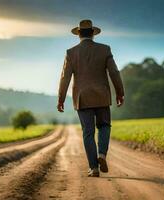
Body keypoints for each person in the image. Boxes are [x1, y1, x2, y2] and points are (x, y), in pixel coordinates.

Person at [57, 19, 124, 177]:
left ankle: (93, 168)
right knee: (104, 126)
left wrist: (61, 99)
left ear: (78, 34)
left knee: (88, 132)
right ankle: (102, 155)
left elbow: (64, 78)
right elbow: (114, 72)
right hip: (101, 95)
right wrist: (120, 92)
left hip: (82, 98)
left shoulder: (71, 53)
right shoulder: (105, 49)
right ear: (93, 33)